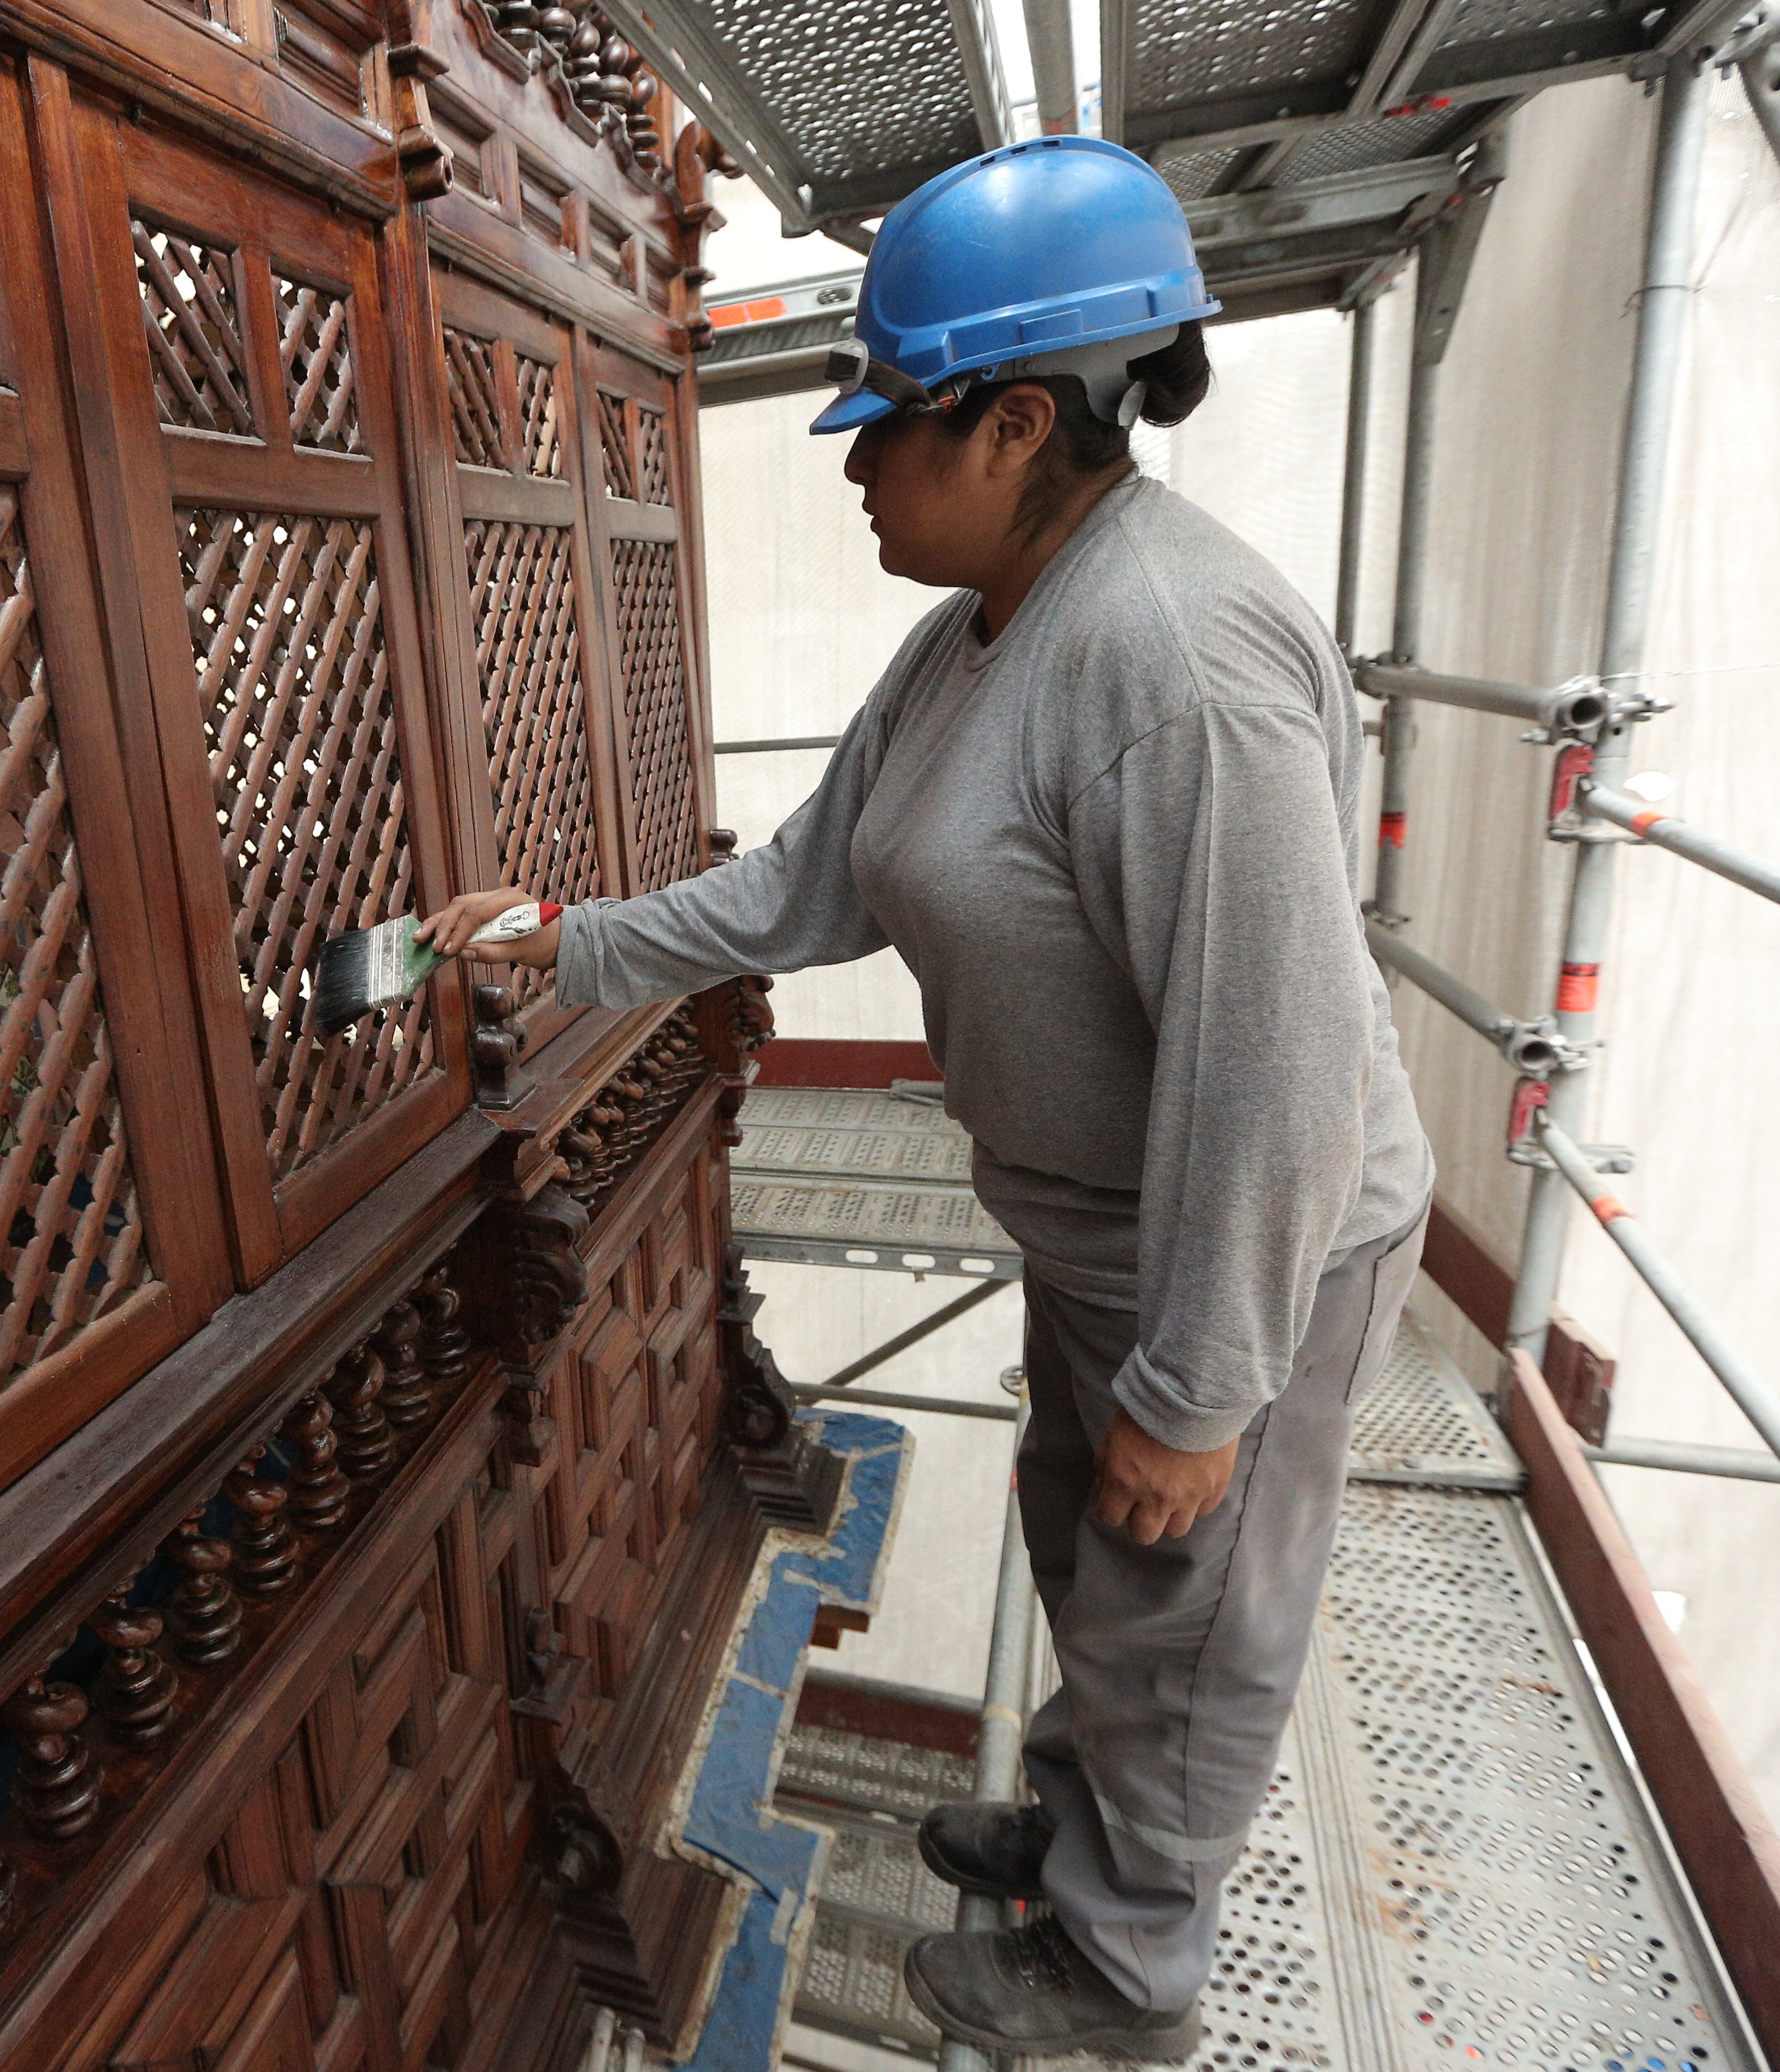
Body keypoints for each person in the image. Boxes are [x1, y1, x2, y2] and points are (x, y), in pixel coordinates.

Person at [418, 137, 1434, 2064]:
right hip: (1092, 1224)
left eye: (887, 426)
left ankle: (1123, 1974)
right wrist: (567, 940)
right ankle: (1073, 1831)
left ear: (1020, 418)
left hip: (1238, 1242)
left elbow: (1276, 1061)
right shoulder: (969, 637)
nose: (862, 467)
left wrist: (1210, 1386)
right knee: (1093, 1550)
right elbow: (809, 886)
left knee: (1189, 1614)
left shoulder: (1173, 660)